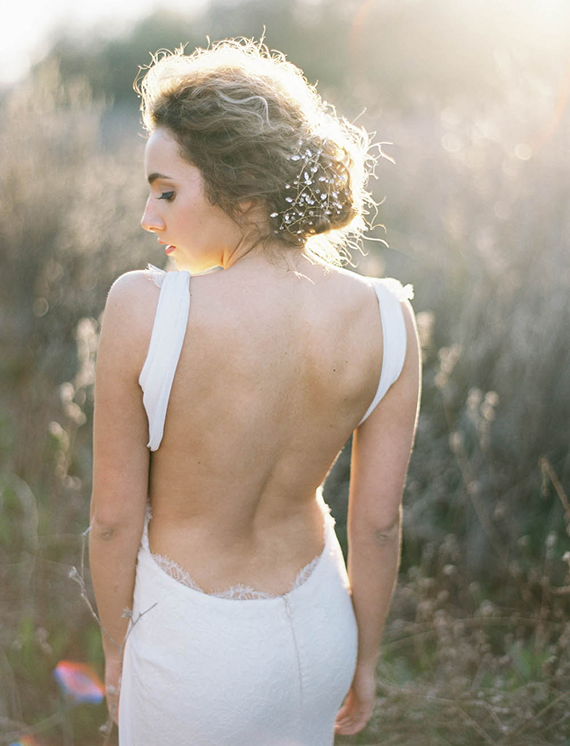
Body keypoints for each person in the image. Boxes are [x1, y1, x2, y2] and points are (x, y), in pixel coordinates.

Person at [89, 38, 421, 745]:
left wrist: (117, 651)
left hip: (190, 647)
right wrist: (362, 659)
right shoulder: (388, 316)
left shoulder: (144, 308)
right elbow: (379, 525)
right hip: (320, 629)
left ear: (242, 190)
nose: (150, 217)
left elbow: (113, 520)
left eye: (166, 191)